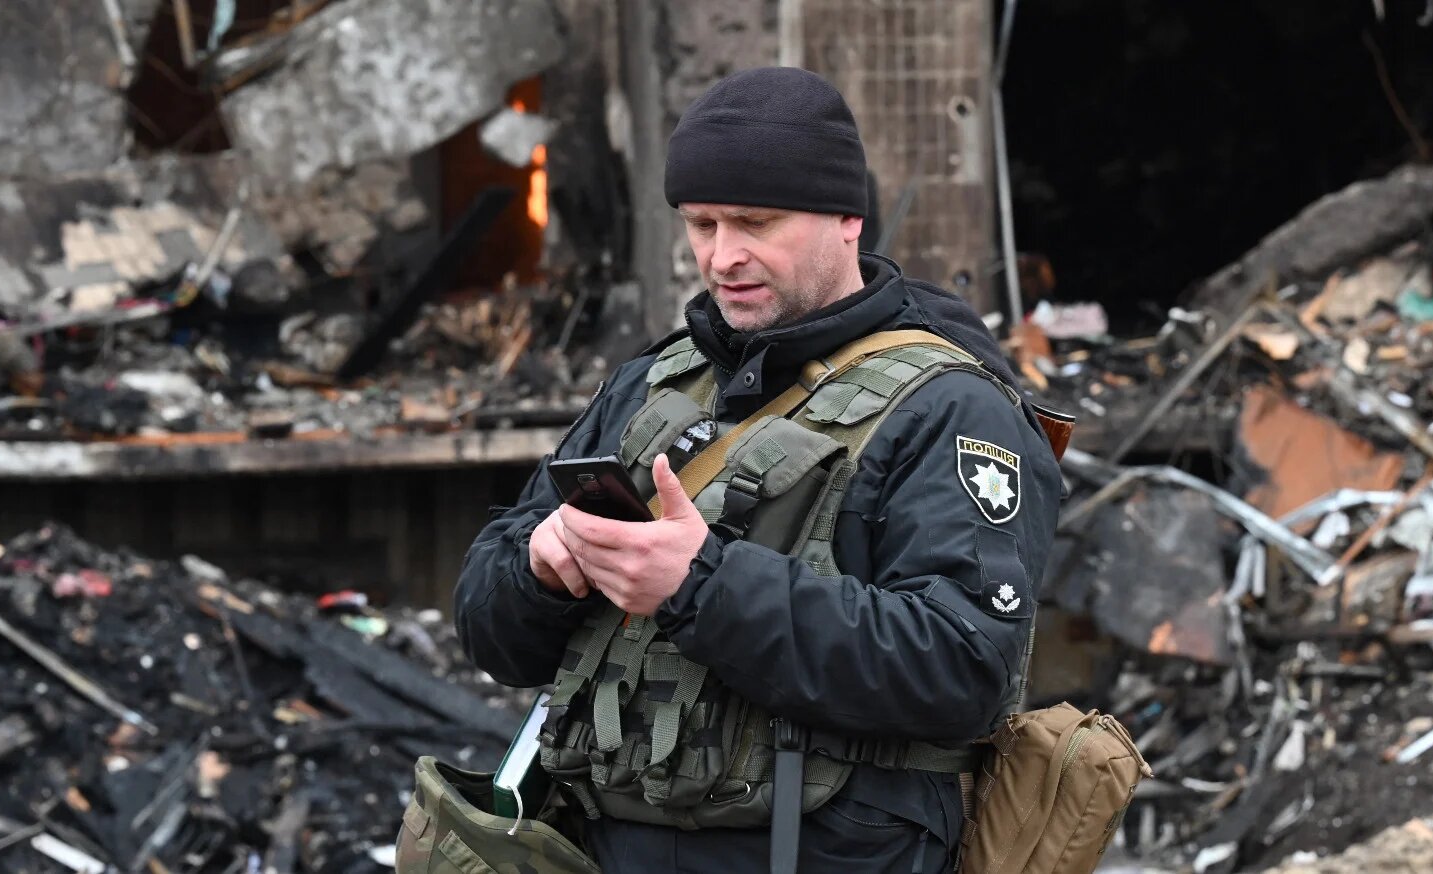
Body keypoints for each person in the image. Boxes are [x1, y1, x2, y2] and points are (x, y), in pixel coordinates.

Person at [454, 66, 1062, 874]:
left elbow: (961, 668)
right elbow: (491, 634)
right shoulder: (654, 383)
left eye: (755, 222)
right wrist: (541, 568)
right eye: (701, 225)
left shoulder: (950, 408)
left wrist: (699, 583)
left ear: (848, 218)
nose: (723, 256)